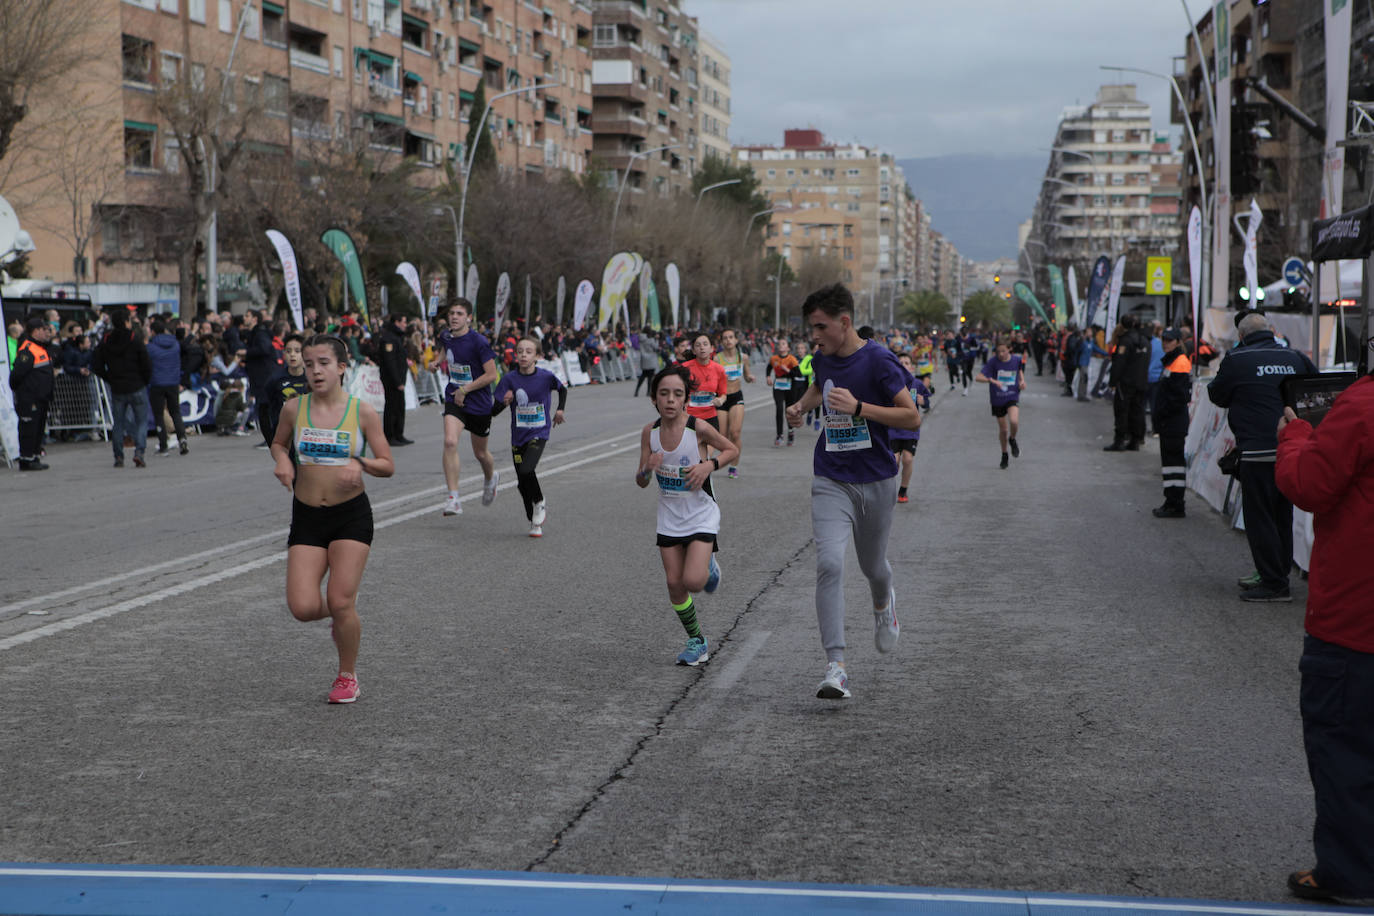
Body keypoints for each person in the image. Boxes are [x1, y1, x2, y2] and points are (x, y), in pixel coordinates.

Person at [785, 283, 920, 700]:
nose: (815, 336)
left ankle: (884, 604)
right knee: (829, 563)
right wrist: (801, 407)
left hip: (877, 479)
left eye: (821, 327)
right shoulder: (822, 359)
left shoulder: (880, 360)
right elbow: (818, 387)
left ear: (844, 322)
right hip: (831, 477)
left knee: (872, 566)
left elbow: (911, 416)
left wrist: (860, 408)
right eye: (812, 328)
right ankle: (836, 666)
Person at [1275, 376, 1374, 907]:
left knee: (1345, 749)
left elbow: (1310, 485)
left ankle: (1350, 873)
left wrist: (1294, 437)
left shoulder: (1361, 404)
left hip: (1357, 617)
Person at [271, 334, 394, 704]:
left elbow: (388, 464)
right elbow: (279, 443)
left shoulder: (363, 412)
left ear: (342, 367)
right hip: (307, 516)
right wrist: (282, 460)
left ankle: (347, 675)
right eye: (309, 364)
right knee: (303, 608)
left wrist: (361, 464)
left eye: (324, 363)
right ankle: (341, 613)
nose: (315, 371)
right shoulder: (295, 409)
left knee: (340, 601)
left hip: (350, 516)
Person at [1207, 311, 1317, 602]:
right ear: (1271, 330)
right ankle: (1279, 573)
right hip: (1291, 448)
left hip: (1256, 450)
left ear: (1241, 336)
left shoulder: (1236, 360)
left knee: (1260, 517)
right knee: (1282, 514)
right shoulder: (1295, 357)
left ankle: (1273, 583)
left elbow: (1216, 395)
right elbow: (1315, 390)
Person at [635, 364, 738, 667]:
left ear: (686, 399)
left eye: (677, 394)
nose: (670, 399)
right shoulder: (649, 433)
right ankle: (698, 641)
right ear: (654, 398)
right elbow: (640, 481)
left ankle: (709, 567)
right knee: (674, 584)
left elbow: (731, 449)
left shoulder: (698, 429)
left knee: (694, 580)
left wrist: (710, 466)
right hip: (669, 516)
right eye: (663, 393)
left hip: (700, 514)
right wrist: (647, 469)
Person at [492, 337, 567, 537]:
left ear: (537, 356)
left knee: (527, 469)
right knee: (522, 482)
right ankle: (534, 522)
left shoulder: (545, 377)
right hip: (518, 436)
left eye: (528, 351)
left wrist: (560, 410)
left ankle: (540, 501)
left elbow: (562, 389)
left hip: (539, 432)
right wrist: (504, 403)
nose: (523, 355)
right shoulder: (509, 379)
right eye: (520, 351)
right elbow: (494, 410)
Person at [437, 300, 500, 516]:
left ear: (469, 318)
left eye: (459, 314)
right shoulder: (445, 335)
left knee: (480, 453)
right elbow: (446, 349)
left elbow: (492, 375)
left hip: (479, 402)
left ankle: (491, 478)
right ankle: (453, 498)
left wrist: (466, 389)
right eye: (451, 313)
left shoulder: (479, 342)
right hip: (454, 397)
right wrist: (438, 361)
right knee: (450, 441)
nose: (454, 317)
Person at [92, 309, 152, 468]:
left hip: (117, 386)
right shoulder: (134, 338)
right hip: (136, 384)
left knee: (118, 423)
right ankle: (139, 452)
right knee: (141, 421)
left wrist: (108, 377)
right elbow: (146, 362)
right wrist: (145, 380)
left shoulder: (106, 340)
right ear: (126, 322)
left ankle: (118, 456)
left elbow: (96, 363)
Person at [1151, 329, 1192, 518]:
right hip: (1170, 422)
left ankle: (1175, 503)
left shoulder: (1180, 362)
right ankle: (1171, 501)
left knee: (1173, 464)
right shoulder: (1172, 361)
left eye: (1169, 340)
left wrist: (1163, 413)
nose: (1165, 343)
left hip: (1173, 422)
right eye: (1163, 340)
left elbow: (1178, 397)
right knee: (1169, 464)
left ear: (1177, 342)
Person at [9, 316, 56, 470]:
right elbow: (16, 376)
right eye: (44, 330)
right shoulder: (28, 349)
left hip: (41, 398)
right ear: (36, 331)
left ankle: (34, 457)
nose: (47, 333)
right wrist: (25, 393)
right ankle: (26, 459)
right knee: (28, 429)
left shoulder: (41, 347)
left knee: (37, 429)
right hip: (30, 398)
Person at [975, 338, 1026, 469]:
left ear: (1009, 349)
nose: (1001, 354)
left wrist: (1022, 381)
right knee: (1003, 430)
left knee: (1014, 421)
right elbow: (978, 377)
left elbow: (1019, 370)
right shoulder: (993, 362)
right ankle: (1004, 454)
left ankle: (1012, 439)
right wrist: (992, 381)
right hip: (997, 399)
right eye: (998, 352)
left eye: (1003, 351)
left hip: (1012, 395)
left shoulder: (1016, 360)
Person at [1103, 314, 1151, 452]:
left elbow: (1119, 363)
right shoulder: (1145, 341)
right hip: (1141, 382)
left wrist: (1113, 381)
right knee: (1137, 411)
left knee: (1122, 411)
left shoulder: (1126, 341)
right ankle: (1135, 440)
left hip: (1126, 383)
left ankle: (1120, 440)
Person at [713, 328, 755, 478]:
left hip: (737, 397)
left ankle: (733, 466)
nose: (728, 340)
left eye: (731, 337)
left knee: (735, 433)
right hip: (722, 398)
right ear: (722, 342)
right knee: (722, 436)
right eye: (725, 338)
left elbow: (747, 374)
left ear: (736, 340)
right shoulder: (717, 359)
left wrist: (750, 377)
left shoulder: (743, 357)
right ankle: (728, 455)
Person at [147, 318, 190, 457]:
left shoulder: (151, 347)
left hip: (157, 383)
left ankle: (163, 444)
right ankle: (182, 438)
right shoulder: (175, 344)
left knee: (159, 415)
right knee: (175, 412)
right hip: (172, 382)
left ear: (152, 331)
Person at [892, 352, 931, 503]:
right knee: (893, 461)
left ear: (912, 367)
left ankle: (903, 490)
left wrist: (923, 402)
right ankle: (887, 489)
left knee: (907, 460)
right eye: (900, 362)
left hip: (910, 430)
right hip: (892, 429)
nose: (903, 365)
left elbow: (927, 402)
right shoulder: (890, 383)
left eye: (906, 362)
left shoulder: (917, 384)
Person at [264, 333, 310, 446]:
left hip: (307, 435)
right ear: (283, 353)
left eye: (297, 351)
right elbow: (264, 408)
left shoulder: (311, 378)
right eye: (288, 351)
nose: (292, 355)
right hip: (284, 435)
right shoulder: (275, 379)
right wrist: (270, 438)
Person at [684, 332, 728, 450]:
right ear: (693, 350)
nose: (702, 347)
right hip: (690, 417)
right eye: (698, 345)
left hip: (710, 417)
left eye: (705, 344)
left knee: (706, 457)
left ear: (712, 348)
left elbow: (723, 394)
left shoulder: (719, 369)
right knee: (691, 454)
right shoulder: (684, 368)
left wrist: (720, 400)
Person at [377, 312, 412, 446]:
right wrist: (397, 382)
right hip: (392, 380)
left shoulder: (396, 337)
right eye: (403, 322)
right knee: (392, 408)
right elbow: (390, 362)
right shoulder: (389, 339)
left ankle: (399, 434)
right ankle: (390, 436)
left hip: (399, 380)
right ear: (396, 322)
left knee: (400, 407)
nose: (405, 325)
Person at [766, 336, 802, 447]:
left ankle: (790, 432)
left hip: (790, 387)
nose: (780, 346)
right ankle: (779, 435)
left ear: (788, 348)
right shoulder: (774, 359)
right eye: (779, 344)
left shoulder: (792, 359)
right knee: (779, 409)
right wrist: (768, 377)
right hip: (778, 386)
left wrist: (788, 370)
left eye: (783, 344)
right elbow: (769, 368)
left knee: (789, 410)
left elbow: (798, 374)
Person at [633, 327, 659, 396]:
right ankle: (648, 391)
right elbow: (656, 347)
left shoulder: (640, 338)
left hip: (644, 358)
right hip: (651, 359)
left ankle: (637, 390)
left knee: (643, 375)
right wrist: (656, 340)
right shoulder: (651, 339)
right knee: (650, 377)